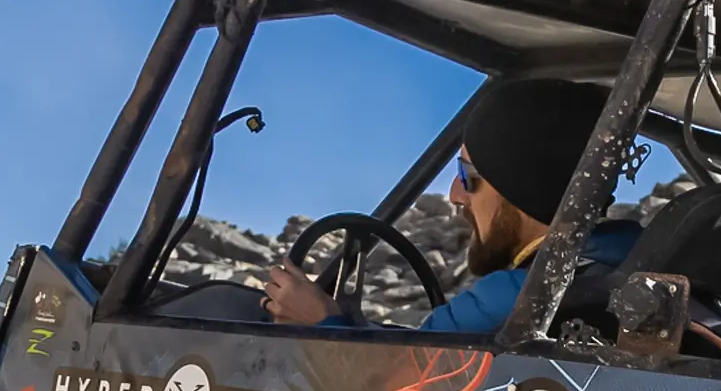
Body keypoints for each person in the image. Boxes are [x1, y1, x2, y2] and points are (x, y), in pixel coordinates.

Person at [263, 78, 642, 335]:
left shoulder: (513, 302)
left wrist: (323, 325)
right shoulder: (632, 262)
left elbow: (385, 389)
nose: (455, 195)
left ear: (521, 186)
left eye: (466, 174)